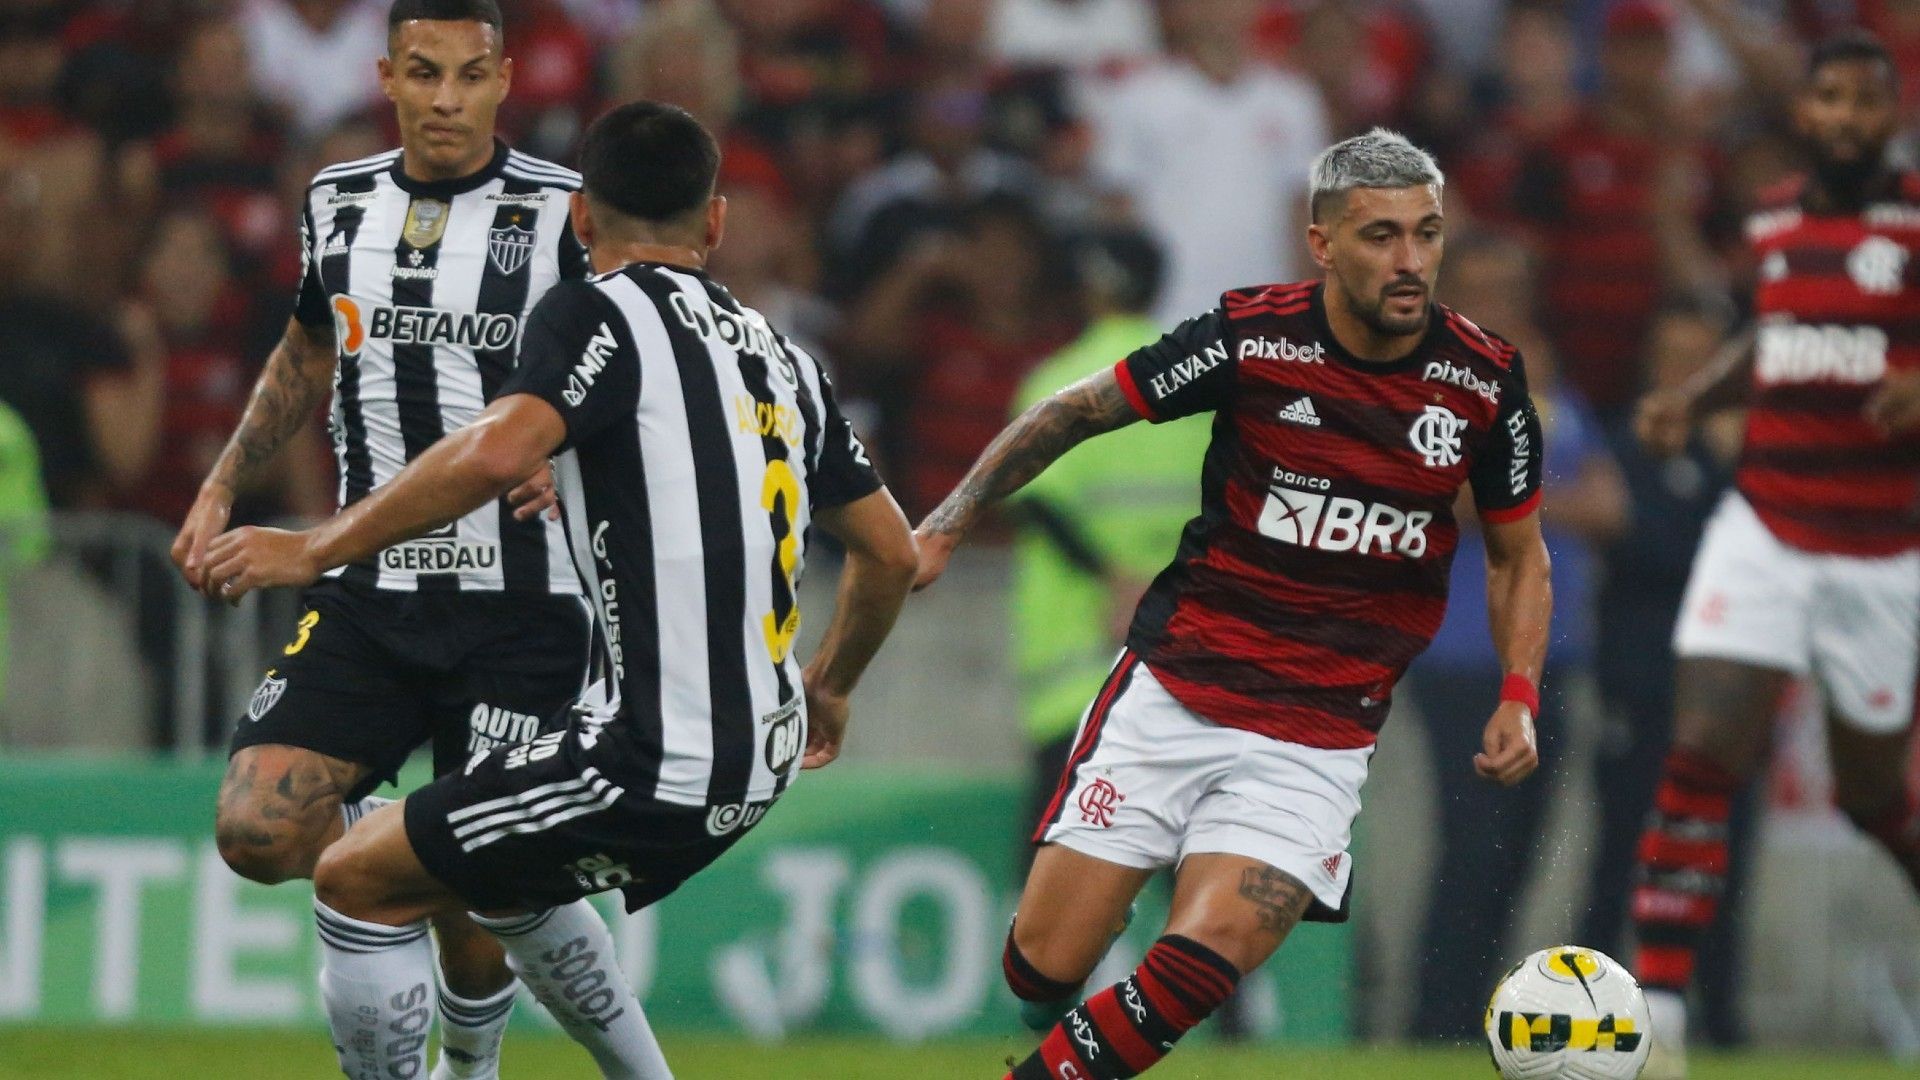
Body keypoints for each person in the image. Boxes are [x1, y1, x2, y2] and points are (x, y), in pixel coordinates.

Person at [200, 99, 918, 1080]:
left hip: (650, 756)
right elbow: (891, 555)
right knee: (489, 872)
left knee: (355, 877)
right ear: (716, 223)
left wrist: (316, 548)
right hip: (761, 752)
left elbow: (496, 450)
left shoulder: (594, 312)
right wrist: (831, 685)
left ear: (582, 219)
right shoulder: (782, 356)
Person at [915, 128, 1551, 1080]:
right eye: (1381, 236)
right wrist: (951, 519)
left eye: (1427, 233)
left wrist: (1519, 692)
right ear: (1323, 242)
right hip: (1177, 691)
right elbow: (1073, 412)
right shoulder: (1251, 339)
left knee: (1208, 952)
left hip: (1319, 734)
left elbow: (1518, 558)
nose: (1411, 260)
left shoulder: (1485, 384)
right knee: (1039, 962)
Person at [171, 2, 608, 1075]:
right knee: (256, 830)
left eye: (469, 75)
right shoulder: (339, 201)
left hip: (526, 603)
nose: (447, 99)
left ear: (506, 78)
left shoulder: (568, 218)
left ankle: (469, 1064)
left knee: (478, 895)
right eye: (424, 73)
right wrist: (222, 484)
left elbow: (634, 373)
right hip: (372, 589)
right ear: (387, 77)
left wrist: (570, 455)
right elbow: (305, 350)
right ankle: (379, 827)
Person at [1629, 33, 1920, 1080]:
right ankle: (1657, 1018)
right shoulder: (1783, 217)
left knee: (1874, 796)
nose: (1846, 116)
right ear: (1806, 113)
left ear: (1892, 115)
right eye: (1829, 98)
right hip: (1764, 523)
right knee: (1702, 745)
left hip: (1880, 551)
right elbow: (1777, 336)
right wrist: (1692, 396)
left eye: (1866, 101)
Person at [1401, 232, 1626, 1043]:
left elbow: (1609, 505)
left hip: (1551, 652)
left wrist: (1519, 501)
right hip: (1461, 651)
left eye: (1511, 283)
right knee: (1474, 843)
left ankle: (1475, 1016)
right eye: (1483, 283)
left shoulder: (1544, 380)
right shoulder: (1428, 374)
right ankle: (1435, 1025)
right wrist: (1535, 500)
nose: (1500, 299)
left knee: (1524, 847)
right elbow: (1446, 492)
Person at [1006, 228, 1207, 849]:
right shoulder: (1203, 392)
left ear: (1092, 287)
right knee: (1185, 869)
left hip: (1078, 671)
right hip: (1186, 666)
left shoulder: (1062, 380)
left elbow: (1038, 503)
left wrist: (1116, 581)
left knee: (1054, 867)